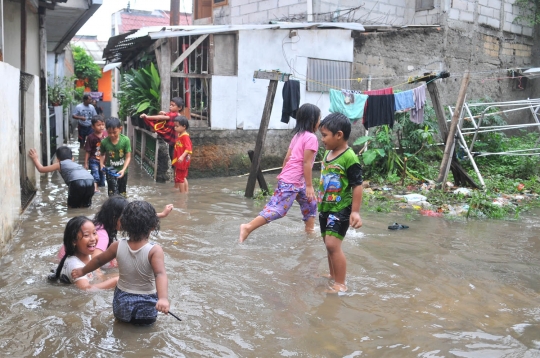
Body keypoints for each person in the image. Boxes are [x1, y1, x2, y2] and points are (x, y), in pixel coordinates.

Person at [72, 201, 170, 326]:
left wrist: (82, 271)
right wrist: (163, 298)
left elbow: (98, 260)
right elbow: (160, 274)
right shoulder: (154, 250)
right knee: (145, 331)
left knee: (121, 325)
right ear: (153, 226)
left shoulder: (117, 246)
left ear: (123, 224)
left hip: (122, 300)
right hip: (146, 301)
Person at [239, 103, 321, 242]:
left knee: (311, 203)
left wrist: (283, 176)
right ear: (313, 120)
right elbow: (306, 163)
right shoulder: (311, 138)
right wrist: (309, 185)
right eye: (319, 118)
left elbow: (287, 157)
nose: (320, 122)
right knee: (278, 210)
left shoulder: (298, 136)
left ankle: (309, 231)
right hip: (294, 180)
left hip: (294, 179)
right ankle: (247, 227)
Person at [57, 196, 174, 269]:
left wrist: (161, 214)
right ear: (114, 218)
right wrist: (102, 278)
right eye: (125, 217)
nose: (128, 221)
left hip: (64, 259)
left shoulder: (98, 224)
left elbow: (138, 217)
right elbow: (94, 260)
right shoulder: (102, 235)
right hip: (73, 264)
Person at [317, 113, 364, 293]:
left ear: (339, 135)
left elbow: (357, 185)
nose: (322, 140)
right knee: (327, 243)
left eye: (325, 135)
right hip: (325, 207)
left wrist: (355, 212)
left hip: (341, 208)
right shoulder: (329, 153)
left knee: (332, 244)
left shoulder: (350, 157)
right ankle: (332, 274)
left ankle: (341, 283)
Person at [49, 216, 119, 291]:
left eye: (94, 233)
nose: (93, 239)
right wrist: (115, 281)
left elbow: (98, 277)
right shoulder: (75, 266)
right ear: (74, 241)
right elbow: (86, 290)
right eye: (86, 235)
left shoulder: (87, 255)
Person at [28, 146, 95, 208]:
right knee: (86, 206)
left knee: (72, 208)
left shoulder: (60, 163)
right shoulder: (76, 165)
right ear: (73, 159)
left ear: (57, 159)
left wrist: (35, 158)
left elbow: (41, 169)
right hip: (91, 181)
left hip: (76, 182)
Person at [140, 97, 185, 161]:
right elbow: (163, 116)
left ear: (179, 108)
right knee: (173, 155)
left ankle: (175, 169)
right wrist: (161, 113)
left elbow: (161, 118)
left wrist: (147, 117)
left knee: (174, 156)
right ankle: (174, 169)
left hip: (176, 140)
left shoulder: (174, 115)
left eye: (173, 105)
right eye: (170, 105)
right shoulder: (176, 114)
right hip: (176, 140)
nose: (170, 106)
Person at [99, 117, 131, 197]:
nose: (112, 135)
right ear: (106, 130)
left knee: (122, 192)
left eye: (114, 132)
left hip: (123, 171)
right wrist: (101, 164)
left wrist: (123, 170)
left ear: (120, 129)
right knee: (112, 193)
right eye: (109, 133)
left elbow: (128, 157)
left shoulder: (125, 140)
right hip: (110, 171)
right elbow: (102, 154)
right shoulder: (104, 142)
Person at [84, 115, 107, 192]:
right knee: (95, 175)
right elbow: (88, 150)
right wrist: (86, 163)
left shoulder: (106, 135)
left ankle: (100, 188)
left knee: (102, 178)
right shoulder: (91, 137)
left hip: (103, 161)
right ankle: (95, 189)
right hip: (94, 160)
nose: (101, 127)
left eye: (102, 125)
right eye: (98, 125)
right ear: (93, 127)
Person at [171, 116, 192, 193]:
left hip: (182, 161)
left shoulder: (185, 136)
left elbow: (188, 148)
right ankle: (186, 192)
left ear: (184, 127)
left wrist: (182, 157)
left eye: (177, 126)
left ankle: (182, 194)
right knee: (183, 177)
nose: (175, 128)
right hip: (181, 160)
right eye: (175, 126)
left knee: (180, 178)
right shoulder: (181, 135)